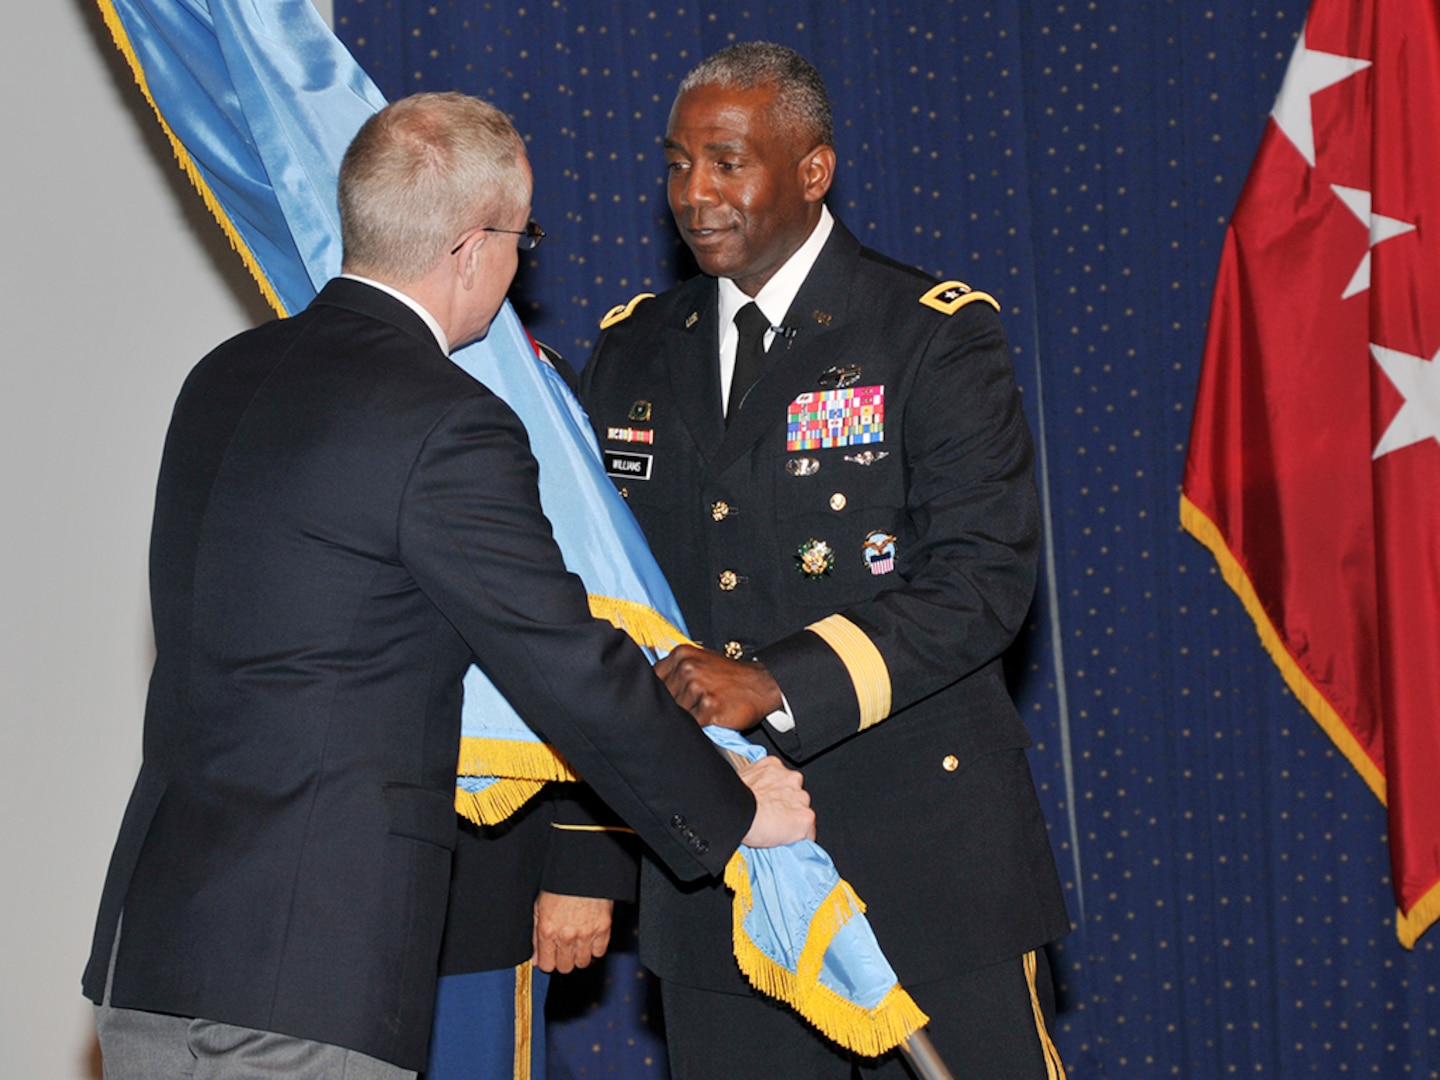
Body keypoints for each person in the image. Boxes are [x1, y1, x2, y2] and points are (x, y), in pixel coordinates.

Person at [82, 91, 813, 1080]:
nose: (522, 266)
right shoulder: (443, 421)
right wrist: (730, 809)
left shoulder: (224, 376)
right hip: (303, 975)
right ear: (471, 248)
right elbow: (566, 662)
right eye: (524, 238)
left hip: (156, 955)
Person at [580, 44, 1071, 1078]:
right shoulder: (630, 349)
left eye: (726, 162)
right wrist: (581, 853)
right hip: (720, 881)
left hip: (926, 867)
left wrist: (774, 681)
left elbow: (984, 582)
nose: (693, 195)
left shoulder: (929, 335)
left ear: (813, 171)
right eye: (676, 164)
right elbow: (593, 610)